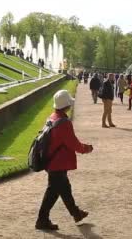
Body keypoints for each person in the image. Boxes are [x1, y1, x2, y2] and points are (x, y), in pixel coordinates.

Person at [36, 90, 93, 231]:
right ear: (66, 105)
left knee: (64, 188)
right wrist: (86, 148)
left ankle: (76, 213)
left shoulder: (52, 117)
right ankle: (42, 220)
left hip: (52, 160)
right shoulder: (64, 123)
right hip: (58, 162)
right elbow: (73, 144)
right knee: (53, 192)